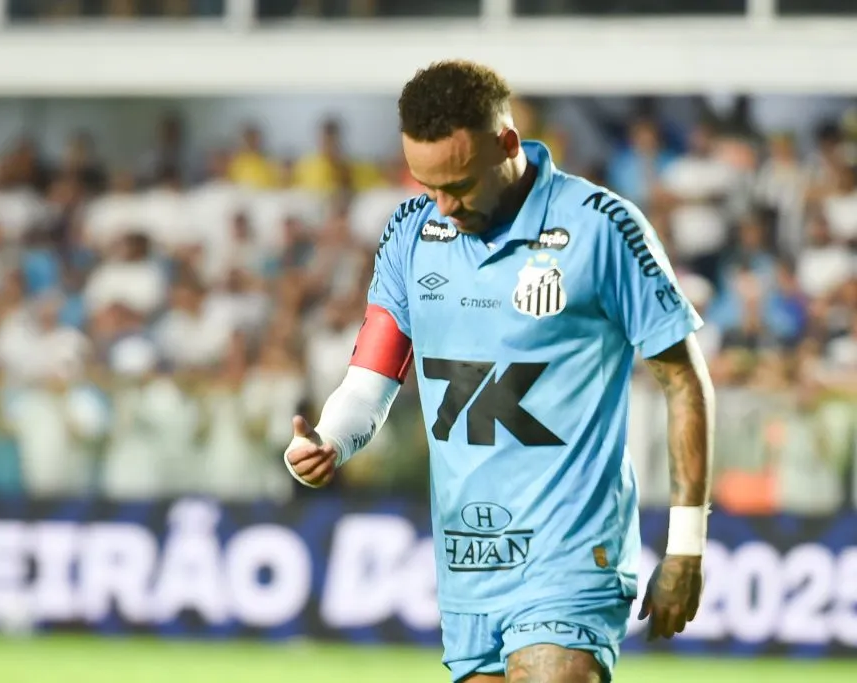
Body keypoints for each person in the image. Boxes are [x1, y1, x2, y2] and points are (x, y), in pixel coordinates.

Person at [284, 60, 714, 683]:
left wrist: (686, 546)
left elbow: (684, 382)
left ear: (506, 143)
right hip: (467, 566)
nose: (444, 205)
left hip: (572, 554)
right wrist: (330, 439)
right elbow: (370, 380)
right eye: (428, 184)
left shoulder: (603, 227)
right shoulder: (411, 233)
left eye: (459, 184)